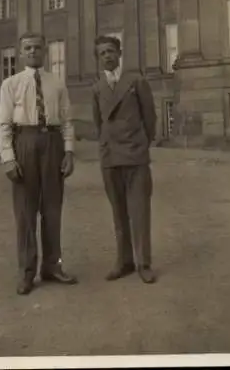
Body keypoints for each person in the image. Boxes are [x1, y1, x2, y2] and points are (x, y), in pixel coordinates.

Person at [0, 32, 77, 295]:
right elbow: (4, 126)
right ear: (21, 53)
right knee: (25, 212)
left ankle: (52, 266)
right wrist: (8, 159)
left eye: (37, 47)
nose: (33, 52)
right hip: (25, 143)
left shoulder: (57, 83)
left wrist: (69, 152)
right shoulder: (11, 84)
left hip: (52, 144)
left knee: (52, 209)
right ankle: (27, 272)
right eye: (28, 48)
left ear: (45, 51)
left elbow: (67, 121)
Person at [92, 35, 157, 284]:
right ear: (98, 59)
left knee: (139, 210)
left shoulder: (136, 81)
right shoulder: (96, 88)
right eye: (102, 53)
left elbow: (149, 118)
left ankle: (144, 263)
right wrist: (106, 146)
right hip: (111, 158)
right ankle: (124, 261)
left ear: (119, 53)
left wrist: (141, 143)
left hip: (135, 155)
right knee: (118, 213)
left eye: (111, 51)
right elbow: (99, 124)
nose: (107, 56)